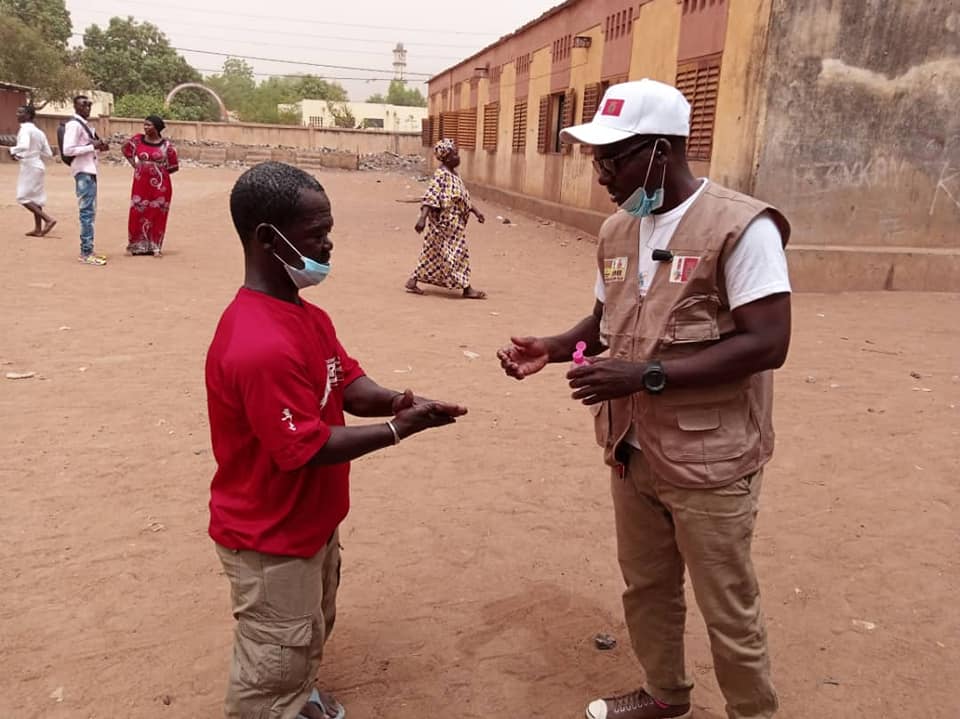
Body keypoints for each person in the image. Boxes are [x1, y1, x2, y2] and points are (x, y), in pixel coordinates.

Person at [497, 80, 792, 719]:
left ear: (661, 150)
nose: (601, 173)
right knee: (648, 586)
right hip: (632, 449)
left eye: (615, 157)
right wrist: (552, 346)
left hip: (710, 459)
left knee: (727, 605)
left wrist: (643, 376)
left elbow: (768, 344)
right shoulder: (617, 230)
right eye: (596, 158)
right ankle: (665, 694)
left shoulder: (742, 227)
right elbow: (605, 324)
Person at [206, 161, 468, 719]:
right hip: (270, 535)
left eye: (328, 229)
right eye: (314, 232)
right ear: (265, 238)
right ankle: (278, 705)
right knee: (274, 653)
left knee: (306, 627)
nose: (328, 243)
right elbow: (302, 450)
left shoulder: (306, 316)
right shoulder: (258, 342)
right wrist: (399, 430)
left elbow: (346, 382)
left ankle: (296, 698)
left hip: (309, 524)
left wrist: (397, 400)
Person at [404, 138, 487, 299]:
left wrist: (476, 212)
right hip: (445, 223)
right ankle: (466, 288)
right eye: (455, 154)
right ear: (447, 157)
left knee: (432, 253)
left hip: (453, 223)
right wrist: (422, 218)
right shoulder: (441, 175)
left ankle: (412, 281)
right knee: (458, 253)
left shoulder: (454, 175)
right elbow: (430, 197)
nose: (458, 157)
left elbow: (463, 197)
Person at [62, 95, 110, 266]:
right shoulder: (74, 125)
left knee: (90, 212)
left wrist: (99, 147)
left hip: (89, 171)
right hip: (83, 172)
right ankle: (86, 253)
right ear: (75, 107)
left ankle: (88, 249)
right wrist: (92, 146)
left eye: (89, 105)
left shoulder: (85, 125)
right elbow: (68, 149)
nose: (87, 108)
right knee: (87, 213)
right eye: (83, 105)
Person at [121, 115, 179, 256]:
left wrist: (158, 172)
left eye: (149, 125)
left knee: (157, 214)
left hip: (161, 186)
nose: (146, 127)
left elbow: (173, 166)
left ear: (157, 128)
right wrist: (137, 166)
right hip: (140, 183)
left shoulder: (166, 146)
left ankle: (155, 246)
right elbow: (125, 150)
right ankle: (135, 245)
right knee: (137, 211)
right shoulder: (137, 140)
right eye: (145, 124)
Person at [8, 104, 57, 237]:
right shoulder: (39, 132)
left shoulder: (25, 130)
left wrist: (12, 150)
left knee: (22, 197)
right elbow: (48, 152)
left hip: (29, 166)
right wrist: (30, 153)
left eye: (20, 112)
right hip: (38, 165)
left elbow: (23, 145)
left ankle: (48, 219)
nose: (17, 114)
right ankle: (38, 228)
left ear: (28, 115)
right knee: (36, 198)